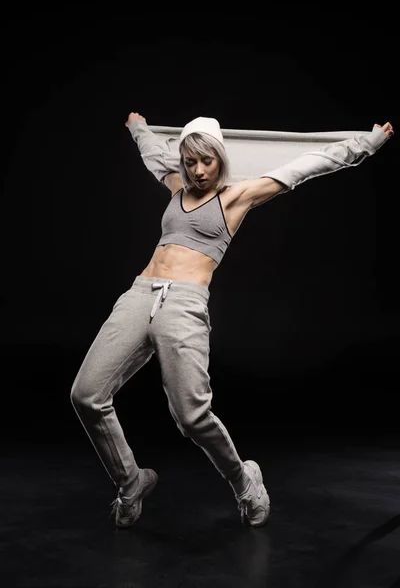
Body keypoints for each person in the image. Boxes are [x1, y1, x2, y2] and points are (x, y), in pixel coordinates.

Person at [70, 112, 394, 529]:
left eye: (207, 161)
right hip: (139, 295)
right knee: (86, 395)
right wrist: (138, 127)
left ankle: (245, 481)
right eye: (190, 162)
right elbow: (154, 156)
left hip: (185, 305)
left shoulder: (237, 196)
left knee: (191, 418)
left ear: (220, 159)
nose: (198, 170)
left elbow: (309, 165)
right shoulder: (175, 187)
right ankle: (130, 483)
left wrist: (367, 143)